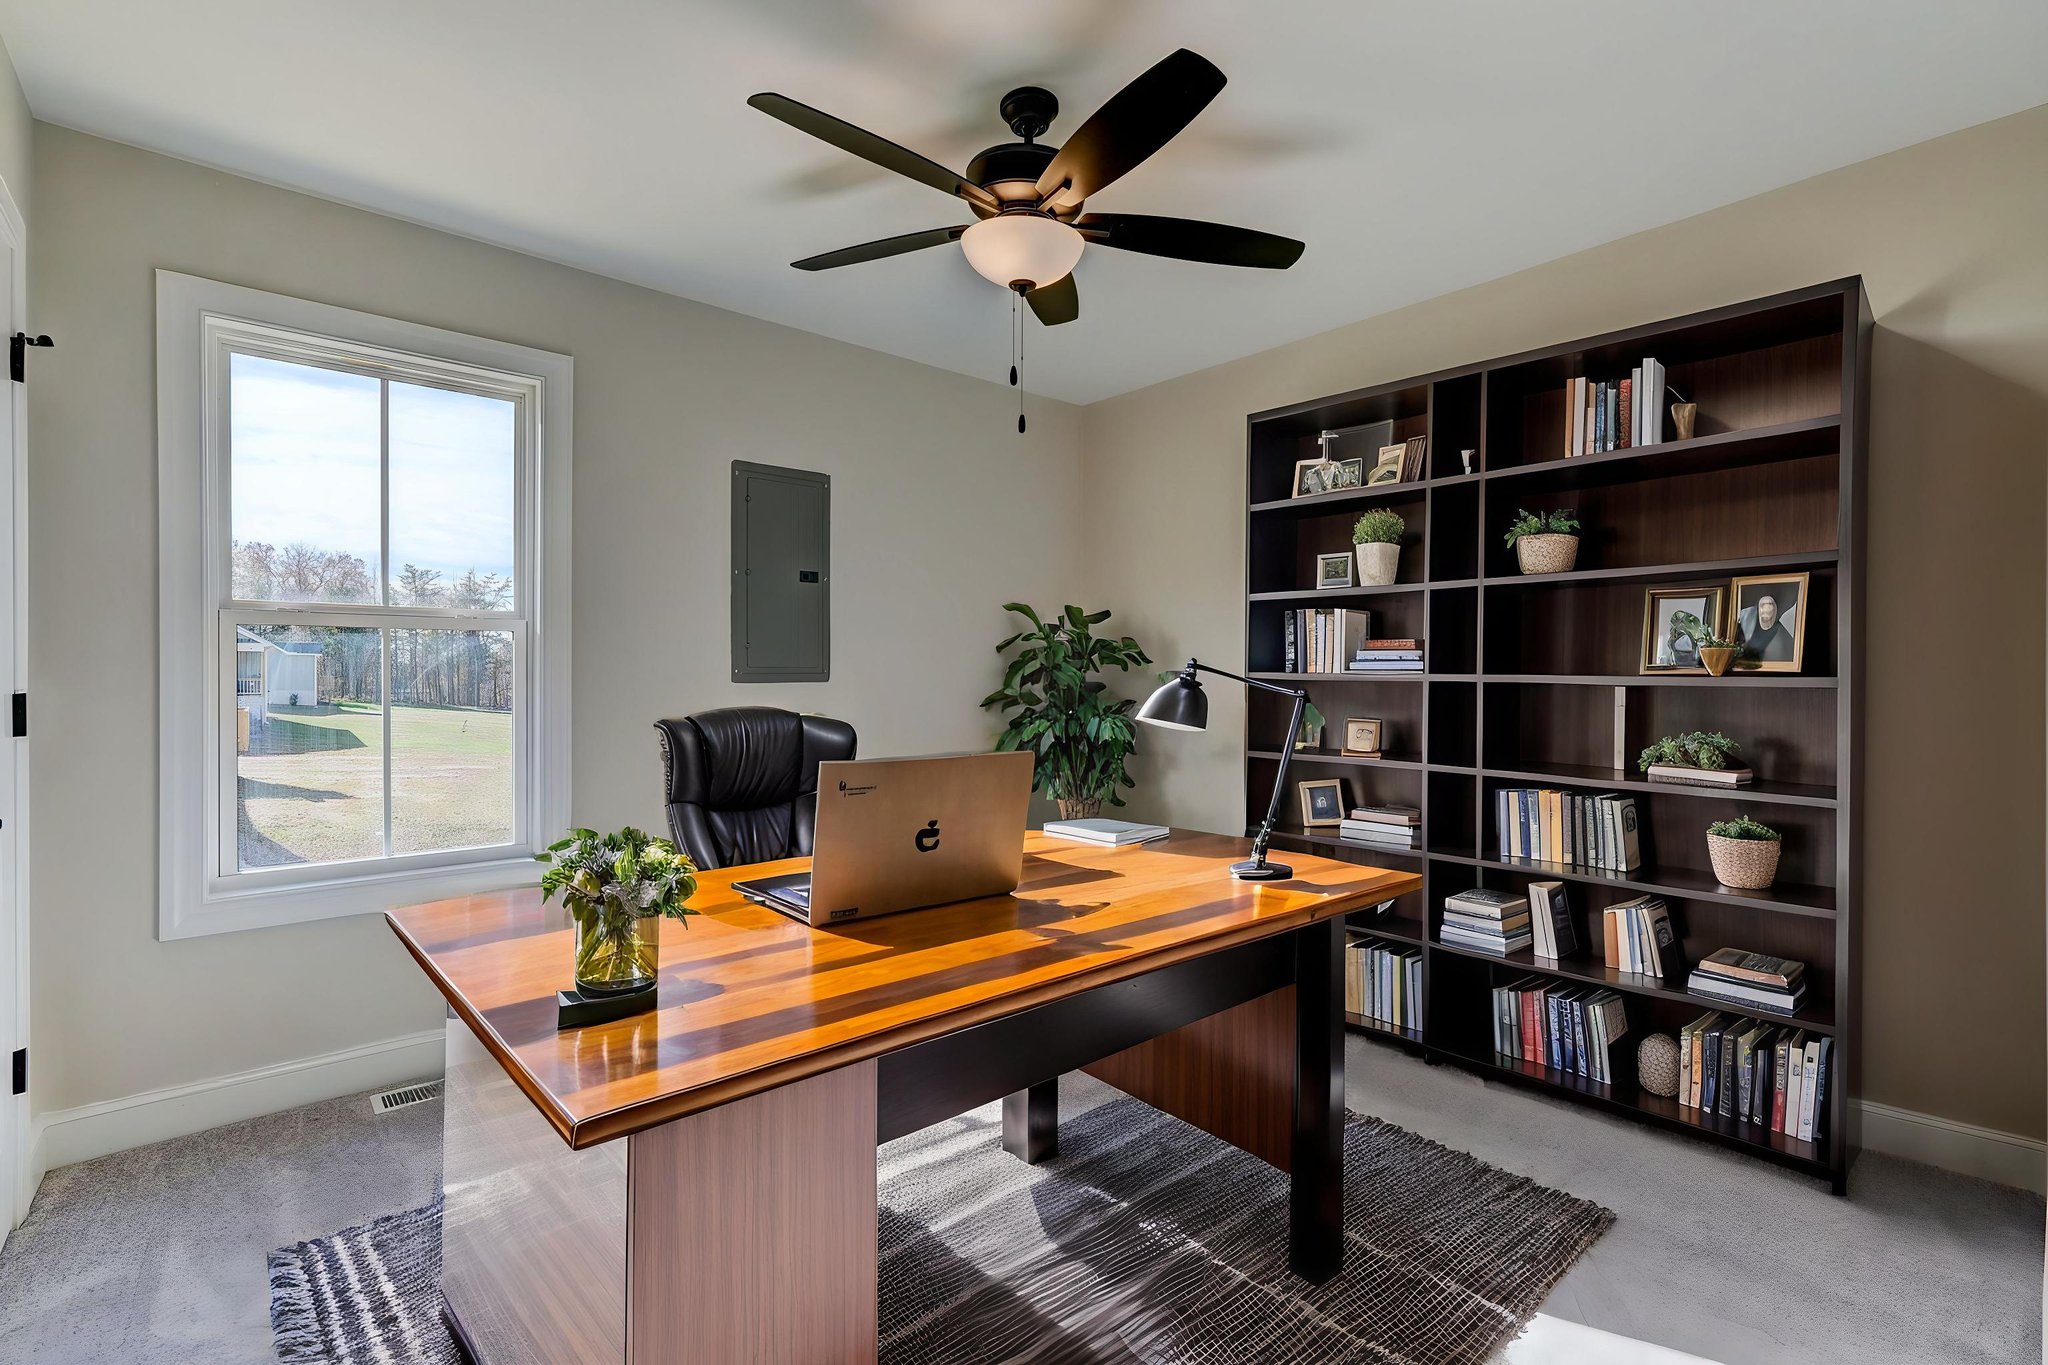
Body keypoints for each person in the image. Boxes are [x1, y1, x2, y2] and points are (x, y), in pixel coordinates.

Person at [1738, 591, 1797, 662]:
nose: (1766, 614)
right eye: (1764, 612)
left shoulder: (1777, 628)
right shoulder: (1748, 619)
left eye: (1768, 612)